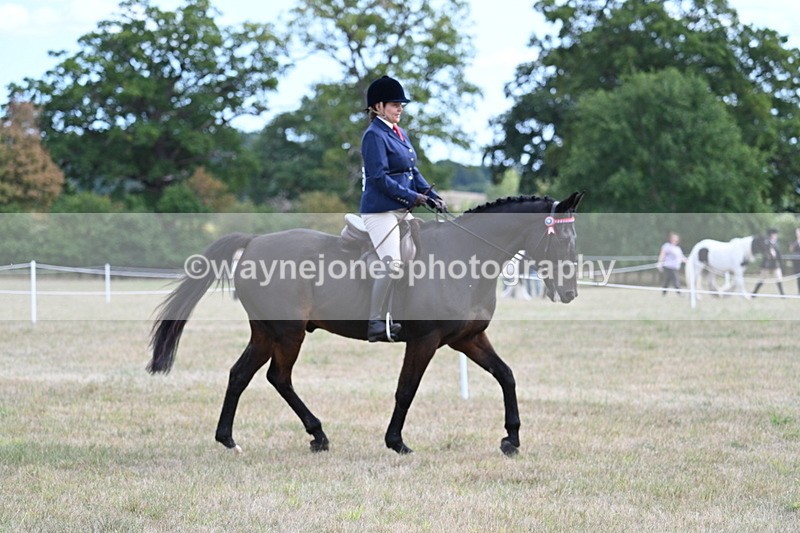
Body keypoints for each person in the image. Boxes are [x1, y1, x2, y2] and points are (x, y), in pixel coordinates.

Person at [360, 75, 446, 342]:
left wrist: (432, 196)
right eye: (395, 104)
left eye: (401, 105)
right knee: (393, 264)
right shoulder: (373, 135)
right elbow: (380, 178)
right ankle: (375, 322)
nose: (400, 109)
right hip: (381, 211)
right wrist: (412, 197)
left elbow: (412, 170)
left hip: (400, 208)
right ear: (378, 106)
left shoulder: (399, 133)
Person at [752, 228, 784, 296]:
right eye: (775, 234)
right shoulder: (766, 243)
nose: (776, 236)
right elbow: (765, 253)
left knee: (779, 279)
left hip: (775, 264)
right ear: (771, 235)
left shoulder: (777, 243)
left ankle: (782, 294)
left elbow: (779, 254)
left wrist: (778, 260)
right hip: (767, 265)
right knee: (761, 279)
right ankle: (754, 293)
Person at [789, 227, 800, 294]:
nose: (798, 234)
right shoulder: (794, 243)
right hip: (797, 264)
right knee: (798, 278)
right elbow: (792, 252)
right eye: (797, 233)